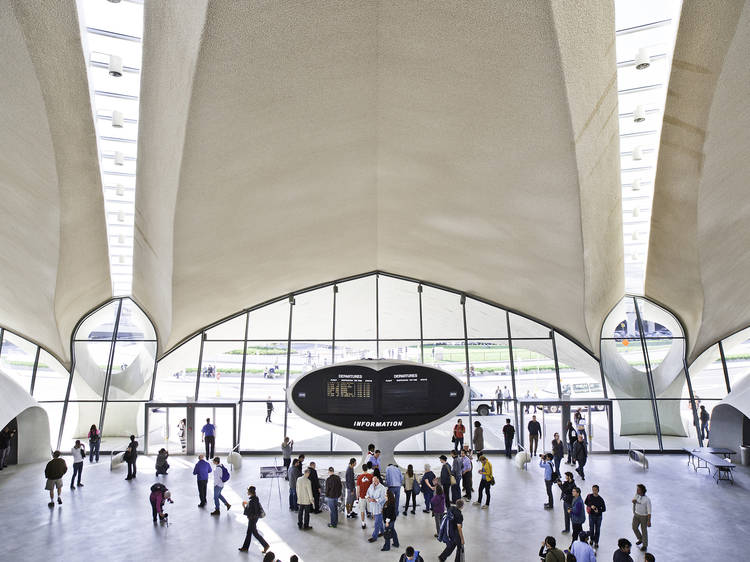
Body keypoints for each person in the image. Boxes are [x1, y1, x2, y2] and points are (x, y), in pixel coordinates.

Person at [239, 485, 270, 553]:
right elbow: (254, 508)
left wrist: (244, 506)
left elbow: (249, 512)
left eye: (248, 491)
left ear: (250, 492)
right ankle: (245, 547)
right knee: (249, 533)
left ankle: (265, 545)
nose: (247, 492)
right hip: (254, 518)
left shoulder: (252, 501)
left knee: (255, 533)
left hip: (252, 519)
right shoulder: (255, 499)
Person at [366, 475, 386, 543]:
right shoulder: (371, 486)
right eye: (373, 481)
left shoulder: (382, 488)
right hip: (372, 506)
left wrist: (375, 500)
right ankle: (383, 532)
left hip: (379, 507)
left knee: (377, 522)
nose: (374, 482)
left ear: (378, 480)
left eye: (375, 481)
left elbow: (383, 498)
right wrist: (368, 498)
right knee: (379, 521)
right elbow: (367, 493)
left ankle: (374, 537)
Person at [584, 484, 606, 549]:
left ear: (598, 491)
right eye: (593, 490)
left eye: (595, 490)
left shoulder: (600, 499)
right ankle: (591, 539)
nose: (594, 491)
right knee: (591, 529)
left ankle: (596, 542)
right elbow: (586, 502)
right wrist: (591, 506)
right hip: (591, 515)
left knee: (597, 529)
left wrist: (598, 510)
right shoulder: (589, 496)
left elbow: (604, 509)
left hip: (598, 516)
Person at [631, 483, 652, 552]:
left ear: (642, 491)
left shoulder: (647, 500)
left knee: (644, 531)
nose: (637, 490)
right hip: (636, 515)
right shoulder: (637, 495)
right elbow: (634, 500)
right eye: (637, 489)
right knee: (634, 527)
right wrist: (633, 501)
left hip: (644, 517)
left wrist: (649, 521)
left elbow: (649, 512)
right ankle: (640, 539)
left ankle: (645, 545)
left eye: (638, 489)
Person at [357, 462, 374, 528]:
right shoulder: (371, 476)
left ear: (362, 469)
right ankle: (374, 523)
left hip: (362, 496)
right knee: (372, 510)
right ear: (367, 468)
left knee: (362, 510)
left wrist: (357, 496)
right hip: (369, 496)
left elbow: (358, 488)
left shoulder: (359, 477)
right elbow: (373, 487)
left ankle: (363, 523)